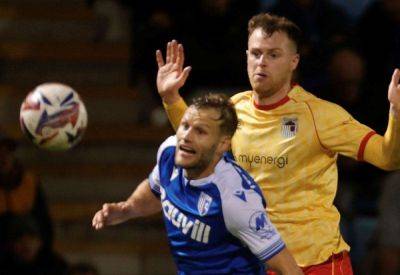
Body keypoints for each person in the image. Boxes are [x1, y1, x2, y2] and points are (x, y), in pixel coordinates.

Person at [156, 13, 400, 274]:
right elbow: (197, 143)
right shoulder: (235, 108)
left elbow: (388, 157)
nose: (262, 63)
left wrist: (396, 116)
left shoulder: (321, 115)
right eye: (256, 53)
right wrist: (171, 98)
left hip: (317, 264)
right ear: (246, 56)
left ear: (293, 61)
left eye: (273, 55)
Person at [92, 93, 302, 274]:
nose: (186, 137)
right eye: (185, 126)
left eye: (200, 131)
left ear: (222, 145)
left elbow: (289, 269)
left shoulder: (236, 200)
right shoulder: (169, 153)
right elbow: (156, 190)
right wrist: (127, 209)